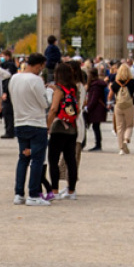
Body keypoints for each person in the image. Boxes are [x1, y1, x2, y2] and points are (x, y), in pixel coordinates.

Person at [11, 53, 53, 206]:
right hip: (36, 123)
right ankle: (34, 194)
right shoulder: (36, 80)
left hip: (20, 122)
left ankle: (19, 193)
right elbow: (45, 103)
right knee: (37, 159)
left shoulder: (14, 78)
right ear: (39, 65)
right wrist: (49, 91)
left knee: (23, 158)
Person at [46, 62, 80, 201]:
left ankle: (54, 190)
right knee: (70, 159)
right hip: (72, 127)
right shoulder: (74, 89)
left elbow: (54, 109)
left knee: (53, 159)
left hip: (58, 128)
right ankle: (71, 190)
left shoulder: (58, 91)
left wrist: (47, 125)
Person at [110, 63, 134, 155]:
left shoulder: (115, 83)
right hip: (129, 106)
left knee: (119, 128)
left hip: (118, 106)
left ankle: (121, 149)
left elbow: (109, 96)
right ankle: (126, 139)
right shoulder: (133, 82)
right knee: (129, 125)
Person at [0, 50, 19, 139]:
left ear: (7, 56)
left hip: (8, 91)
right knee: (8, 112)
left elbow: (8, 79)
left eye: (2, 56)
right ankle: (10, 130)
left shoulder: (10, 65)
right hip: (10, 90)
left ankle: (9, 131)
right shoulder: (9, 65)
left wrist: (5, 91)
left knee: (8, 112)